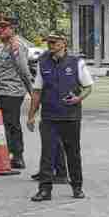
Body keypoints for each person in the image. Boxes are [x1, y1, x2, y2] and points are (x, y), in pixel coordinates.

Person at [27, 33, 91, 202]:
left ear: (64, 43)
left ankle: (77, 186)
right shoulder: (43, 63)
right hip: (49, 116)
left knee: (73, 153)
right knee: (47, 153)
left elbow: (88, 87)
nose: (51, 44)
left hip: (70, 116)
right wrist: (31, 115)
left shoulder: (76, 62)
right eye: (49, 42)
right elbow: (37, 91)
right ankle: (44, 189)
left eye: (54, 42)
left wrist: (79, 98)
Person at [0, 17, 34, 171]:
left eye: (3, 28)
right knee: (3, 123)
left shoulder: (17, 46)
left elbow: (23, 70)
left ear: (12, 29)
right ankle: (7, 152)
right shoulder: (0, 48)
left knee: (11, 123)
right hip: (0, 91)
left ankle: (17, 155)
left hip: (12, 90)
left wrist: (31, 91)